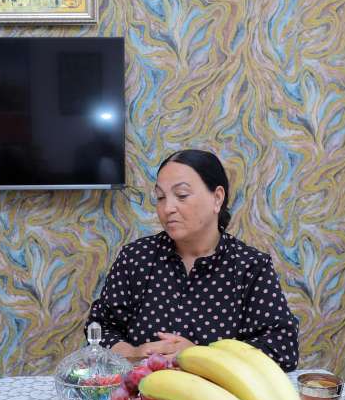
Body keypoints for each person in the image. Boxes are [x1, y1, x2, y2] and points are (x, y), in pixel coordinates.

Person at [87, 149, 299, 369]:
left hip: (215, 390)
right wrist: (132, 353)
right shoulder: (136, 258)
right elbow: (99, 328)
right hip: (141, 387)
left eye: (181, 195)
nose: (167, 208)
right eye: (160, 197)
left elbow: (283, 348)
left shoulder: (250, 266)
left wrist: (202, 356)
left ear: (217, 198)